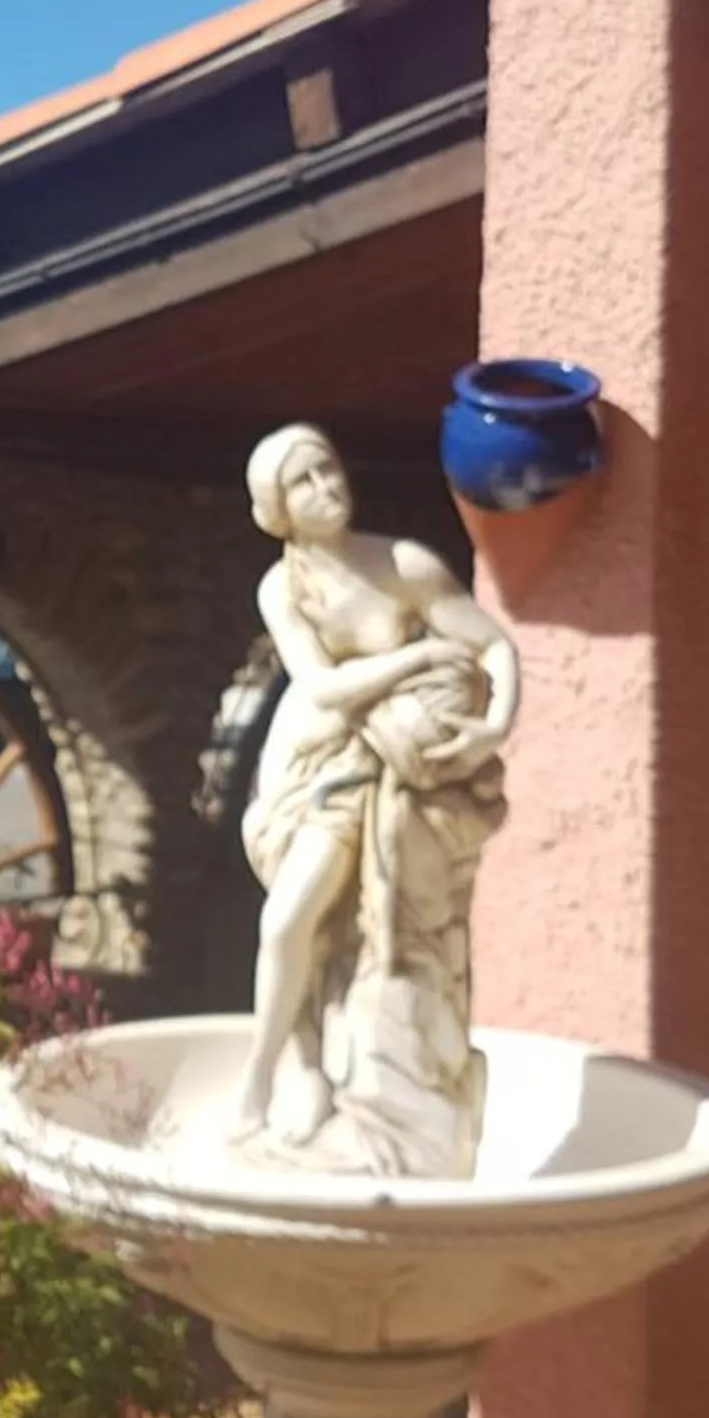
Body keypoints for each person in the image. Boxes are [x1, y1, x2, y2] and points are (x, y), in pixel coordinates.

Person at [234, 424, 517, 1167]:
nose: (326, 488)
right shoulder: (284, 585)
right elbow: (321, 686)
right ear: (278, 508)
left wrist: (493, 726)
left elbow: (494, 647)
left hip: (385, 772)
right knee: (294, 925)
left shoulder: (402, 564)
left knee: (312, 924)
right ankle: (279, 1081)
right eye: (304, 481)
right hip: (308, 764)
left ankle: (317, 1088)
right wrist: (420, 655)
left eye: (329, 470)